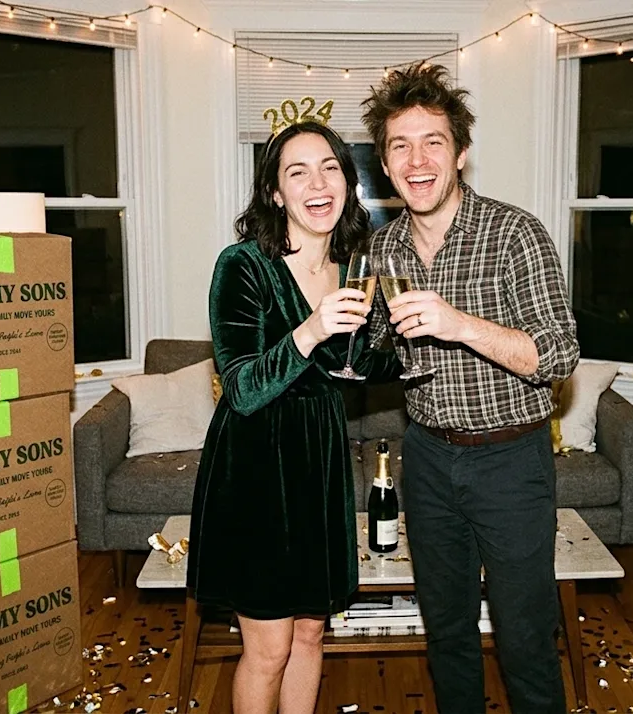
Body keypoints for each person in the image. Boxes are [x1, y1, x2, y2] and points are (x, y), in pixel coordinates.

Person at [361, 64, 581, 713]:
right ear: (385, 162)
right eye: (400, 145)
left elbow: (560, 354)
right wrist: (349, 337)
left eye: (433, 141)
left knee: (523, 636)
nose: (417, 159)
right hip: (426, 455)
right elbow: (380, 351)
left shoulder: (515, 233)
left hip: (511, 460)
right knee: (448, 632)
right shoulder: (384, 248)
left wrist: (459, 325)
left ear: (460, 152)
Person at [186, 118, 399, 714]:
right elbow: (244, 388)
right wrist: (312, 328)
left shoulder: (351, 267)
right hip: (256, 467)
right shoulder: (243, 265)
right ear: (275, 193)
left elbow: (349, 366)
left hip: (320, 460)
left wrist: (421, 351)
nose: (318, 181)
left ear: (347, 182)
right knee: (270, 647)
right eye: (297, 171)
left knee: (311, 632)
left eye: (330, 167)